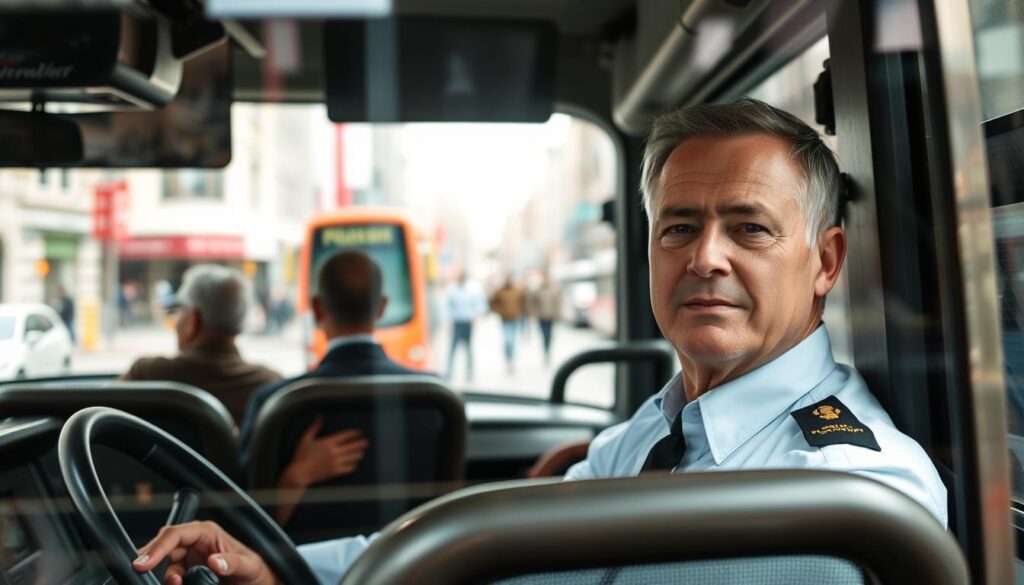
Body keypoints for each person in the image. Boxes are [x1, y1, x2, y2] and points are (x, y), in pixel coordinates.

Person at [133, 99, 947, 585]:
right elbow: (505, 530)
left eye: (749, 228)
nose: (706, 256)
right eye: (679, 227)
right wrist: (280, 564)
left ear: (825, 261)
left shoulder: (848, 489)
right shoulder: (656, 430)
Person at [237, 250, 430, 523]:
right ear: (382, 307)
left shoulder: (274, 403)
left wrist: (295, 478)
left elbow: (245, 528)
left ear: (316, 308)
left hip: (301, 565)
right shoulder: (434, 399)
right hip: (409, 563)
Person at [121, 264, 281, 425]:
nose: (177, 322)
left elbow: (102, 419)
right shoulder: (270, 385)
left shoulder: (148, 374)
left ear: (193, 320)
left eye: (181, 312)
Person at [445, 272, 486, 381]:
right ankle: (449, 371)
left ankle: (469, 372)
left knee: (468, 349)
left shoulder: (471, 290)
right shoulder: (452, 290)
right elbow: (449, 307)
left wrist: (475, 318)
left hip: (467, 322)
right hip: (457, 323)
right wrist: (449, 322)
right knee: (452, 348)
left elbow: (479, 305)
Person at [490, 276, 526, 374]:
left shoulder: (518, 291)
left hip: (515, 319)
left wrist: (521, 313)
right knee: (507, 340)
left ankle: (511, 361)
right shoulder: (499, 291)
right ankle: (508, 358)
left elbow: (523, 303)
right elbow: (493, 304)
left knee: (512, 341)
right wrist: (500, 311)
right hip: (505, 320)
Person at [527, 272, 561, 365]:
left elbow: (558, 303)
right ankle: (545, 351)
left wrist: (558, 314)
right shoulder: (538, 290)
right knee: (543, 335)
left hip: (550, 316)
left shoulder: (554, 289)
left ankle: (548, 351)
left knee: (549, 335)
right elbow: (532, 301)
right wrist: (534, 313)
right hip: (541, 317)